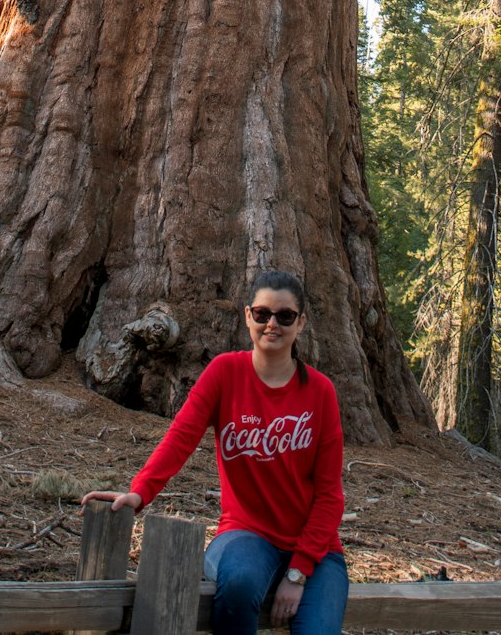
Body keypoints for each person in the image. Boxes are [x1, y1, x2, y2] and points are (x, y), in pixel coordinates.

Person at [81, 269, 348, 633]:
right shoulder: (225, 372)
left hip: (317, 551)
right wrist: (140, 491)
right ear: (247, 316)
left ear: (300, 323)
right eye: (262, 314)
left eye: (284, 316)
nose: (272, 324)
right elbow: (181, 437)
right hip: (246, 534)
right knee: (240, 585)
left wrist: (298, 574)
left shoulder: (320, 392)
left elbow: (330, 495)